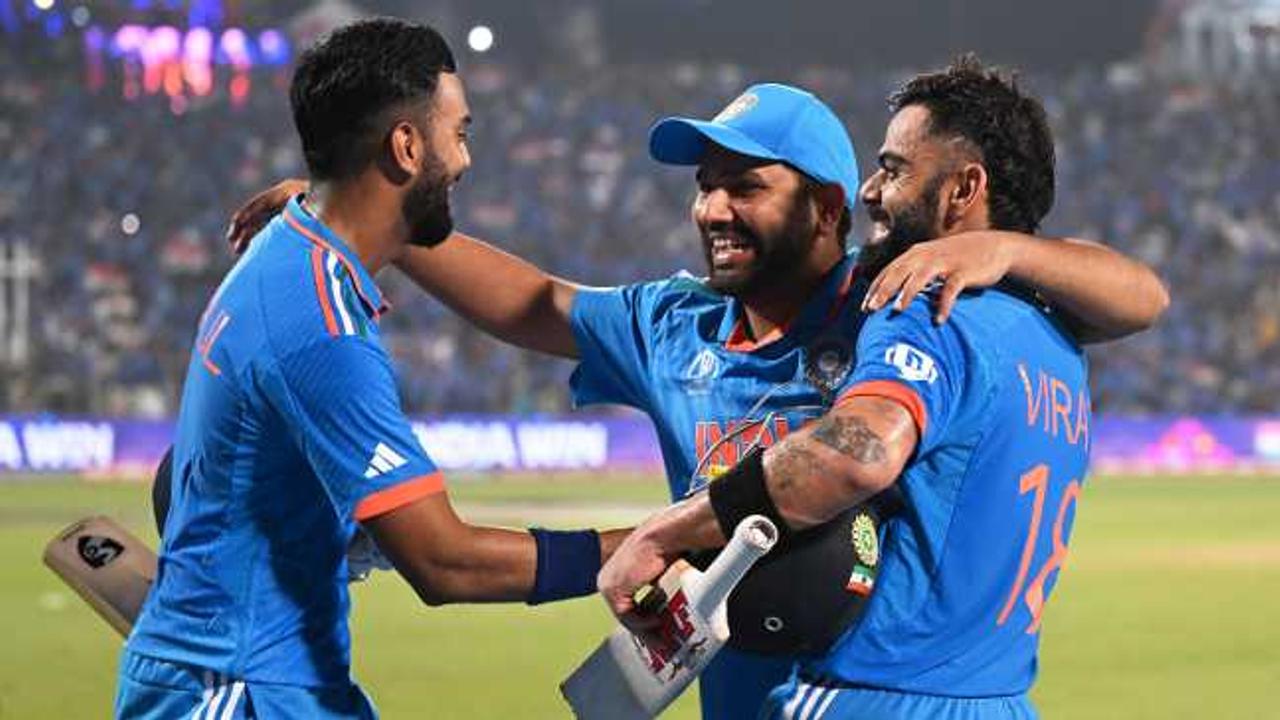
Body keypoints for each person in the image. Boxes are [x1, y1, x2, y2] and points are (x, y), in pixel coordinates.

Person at [228, 82, 1168, 720]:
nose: (713, 209)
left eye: (746, 187)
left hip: (844, 687)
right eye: (705, 187)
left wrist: (995, 247)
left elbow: (1136, 292)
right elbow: (534, 303)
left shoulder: (895, 302)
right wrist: (360, 215)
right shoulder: (673, 325)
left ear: (829, 210)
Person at [598, 55, 1135, 719]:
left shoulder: (925, 303)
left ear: (962, 189)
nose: (871, 191)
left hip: (874, 697)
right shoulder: (1057, 338)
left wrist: (664, 532)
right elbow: (1144, 295)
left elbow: (855, 452)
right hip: (998, 700)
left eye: (895, 168)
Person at [117, 19, 625, 720]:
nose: (467, 159)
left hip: (272, 680)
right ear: (407, 146)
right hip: (236, 692)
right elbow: (445, 562)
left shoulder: (288, 253)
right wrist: (640, 549)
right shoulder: (317, 321)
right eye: (460, 132)